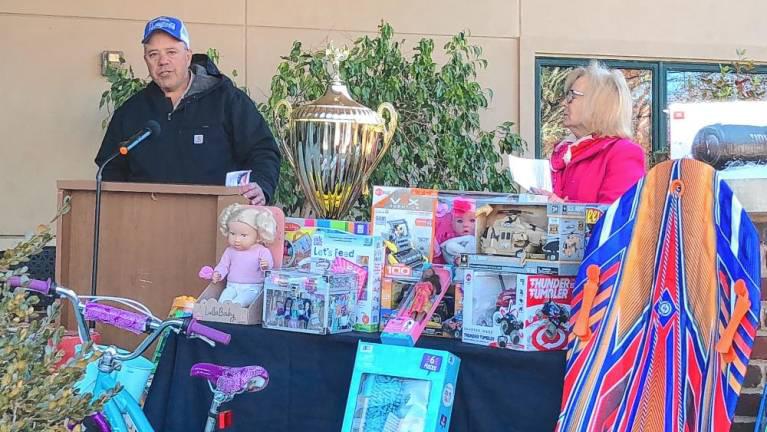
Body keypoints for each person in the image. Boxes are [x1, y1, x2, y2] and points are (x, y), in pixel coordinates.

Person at [94, 16, 280, 205]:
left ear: (188, 56)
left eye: (171, 52)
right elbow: (110, 167)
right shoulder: (131, 111)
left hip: (219, 222)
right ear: (146, 61)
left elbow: (263, 151)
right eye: (153, 54)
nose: (163, 61)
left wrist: (261, 185)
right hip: (145, 224)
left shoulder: (228, 100)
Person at [534, 61, 646, 204]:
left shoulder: (623, 153)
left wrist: (563, 210)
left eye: (571, 96)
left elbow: (617, 218)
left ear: (598, 104)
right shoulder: (563, 154)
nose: (563, 103)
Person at [212, 204, 276, 307]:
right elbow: (223, 265)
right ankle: (224, 315)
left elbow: (269, 267)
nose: (237, 239)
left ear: (258, 236)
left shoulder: (261, 251)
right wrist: (218, 273)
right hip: (231, 286)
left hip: (252, 288)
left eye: (243, 235)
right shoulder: (230, 251)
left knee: (240, 302)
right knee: (223, 301)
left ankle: (236, 315)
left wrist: (265, 265)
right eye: (232, 234)